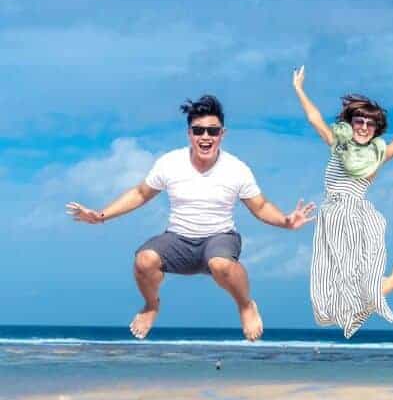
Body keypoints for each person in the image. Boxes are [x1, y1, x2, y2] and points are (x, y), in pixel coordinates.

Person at [66, 95, 315, 342]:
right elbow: (141, 193)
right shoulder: (169, 163)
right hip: (178, 240)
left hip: (219, 239)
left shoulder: (237, 169)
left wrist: (285, 221)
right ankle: (151, 306)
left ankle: (245, 305)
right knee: (144, 260)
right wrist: (101, 216)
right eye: (199, 130)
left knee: (220, 264)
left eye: (212, 131)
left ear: (222, 134)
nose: (205, 136)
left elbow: (260, 206)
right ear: (189, 134)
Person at [293, 66, 393, 338]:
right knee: (326, 307)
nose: (364, 127)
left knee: (348, 297)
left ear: (376, 130)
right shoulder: (338, 144)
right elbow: (313, 118)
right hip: (332, 217)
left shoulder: (378, 155)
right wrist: (299, 88)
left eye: (371, 124)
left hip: (353, 217)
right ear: (351, 122)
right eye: (359, 121)